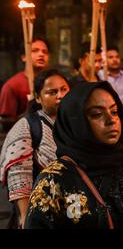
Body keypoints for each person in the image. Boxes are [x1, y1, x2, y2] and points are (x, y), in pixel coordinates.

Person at [25, 81, 123, 229]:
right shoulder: (54, 182)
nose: (111, 120)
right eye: (97, 114)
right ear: (76, 122)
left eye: (114, 112)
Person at [0, 69, 70, 228]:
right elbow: (19, 175)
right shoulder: (26, 126)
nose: (60, 95)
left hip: (76, 208)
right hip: (41, 213)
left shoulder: (78, 124)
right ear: (38, 97)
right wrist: (25, 217)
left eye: (64, 89)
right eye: (52, 92)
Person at [0, 37, 50, 130]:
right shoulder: (12, 86)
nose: (41, 54)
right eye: (35, 50)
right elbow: (5, 123)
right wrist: (27, 115)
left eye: (45, 52)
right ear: (24, 57)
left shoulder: (51, 83)